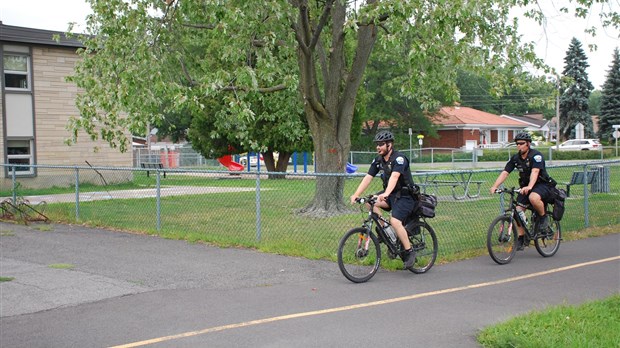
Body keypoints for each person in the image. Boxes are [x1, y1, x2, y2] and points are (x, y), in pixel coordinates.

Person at [350, 130, 418, 269]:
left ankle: (410, 251)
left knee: (395, 220)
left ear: (389, 145)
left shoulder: (399, 159)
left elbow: (394, 177)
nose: (378, 147)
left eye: (381, 144)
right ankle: (387, 232)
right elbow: (368, 177)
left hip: (405, 196)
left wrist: (386, 193)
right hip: (391, 195)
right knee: (370, 203)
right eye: (377, 145)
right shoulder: (378, 160)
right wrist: (356, 194)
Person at [489, 132, 556, 250]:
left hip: (541, 185)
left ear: (528, 144)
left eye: (521, 143)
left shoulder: (536, 156)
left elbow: (535, 172)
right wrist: (495, 186)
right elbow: (505, 172)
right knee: (518, 211)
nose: (519, 146)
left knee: (533, 198)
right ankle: (521, 238)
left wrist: (530, 187)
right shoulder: (516, 158)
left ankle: (543, 217)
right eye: (517, 144)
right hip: (525, 186)